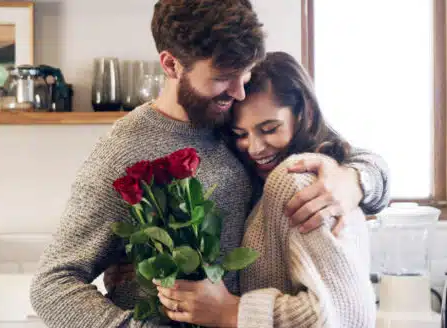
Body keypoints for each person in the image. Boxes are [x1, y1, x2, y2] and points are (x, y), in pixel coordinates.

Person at [30, 1, 388, 327]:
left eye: (244, 73)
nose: (238, 92)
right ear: (171, 65)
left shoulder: (241, 117)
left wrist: (355, 179)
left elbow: (337, 149)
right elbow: (52, 284)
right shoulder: (123, 152)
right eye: (222, 78)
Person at [145, 51, 377, 328]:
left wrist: (233, 312)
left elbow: (349, 314)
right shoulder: (262, 181)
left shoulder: (296, 179)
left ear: (305, 113)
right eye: (241, 134)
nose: (254, 148)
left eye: (269, 129)